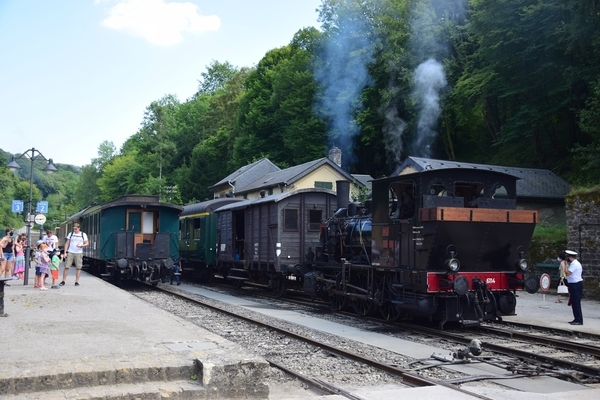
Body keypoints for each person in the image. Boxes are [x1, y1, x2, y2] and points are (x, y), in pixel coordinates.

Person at [564, 250, 583, 325]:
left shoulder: (574, 264)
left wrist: (565, 265)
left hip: (576, 284)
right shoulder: (574, 263)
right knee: (574, 302)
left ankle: (579, 320)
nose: (567, 258)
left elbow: (568, 273)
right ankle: (576, 318)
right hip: (574, 284)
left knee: (576, 302)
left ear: (570, 257)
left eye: (568, 257)